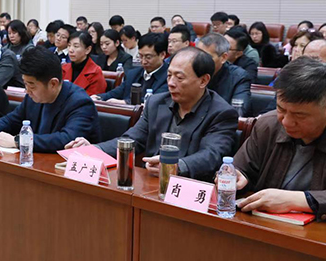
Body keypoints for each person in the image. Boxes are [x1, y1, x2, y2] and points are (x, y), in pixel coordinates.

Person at [233, 58, 326, 222]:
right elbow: (242, 169)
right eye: (281, 109)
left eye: (299, 115)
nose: (286, 122)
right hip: (264, 226)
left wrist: (301, 200)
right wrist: (235, 177)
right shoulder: (268, 124)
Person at [68, 48, 238, 180]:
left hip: (188, 189)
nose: (171, 83)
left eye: (179, 78)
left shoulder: (221, 113)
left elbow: (211, 155)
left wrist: (175, 166)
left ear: (203, 80)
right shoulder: (156, 103)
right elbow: (132, 140)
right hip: (150, 183)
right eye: (169, 75)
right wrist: (94, 150)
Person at [0, 46, 100, 152]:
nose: (27, 91)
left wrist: (18, 141)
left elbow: (66, 139)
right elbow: (13, 119)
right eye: (25, 84)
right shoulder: (33, 96)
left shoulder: (80, 103)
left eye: (31, 85)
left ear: (53, 84)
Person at [94, 33, 169, 103]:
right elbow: (117, 92)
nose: (143, 61)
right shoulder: (133, 74)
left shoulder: (169, 77)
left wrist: (125, 103)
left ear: (162, 55)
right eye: (140, 56)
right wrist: (99, 97)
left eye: (148, 57)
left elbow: (154, 100)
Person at [196, 33, 251, 113]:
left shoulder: (239, 77)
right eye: (197, 55)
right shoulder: (190, 71)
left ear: (223, 57)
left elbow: (238, 111)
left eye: (207, 57)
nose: (200, 61)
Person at [61, 31, 108, 96]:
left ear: (88, 49)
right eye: (69, 45)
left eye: (76, 46)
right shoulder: (63, 68)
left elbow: (93, 99)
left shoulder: (95, 73)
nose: (70, 50)